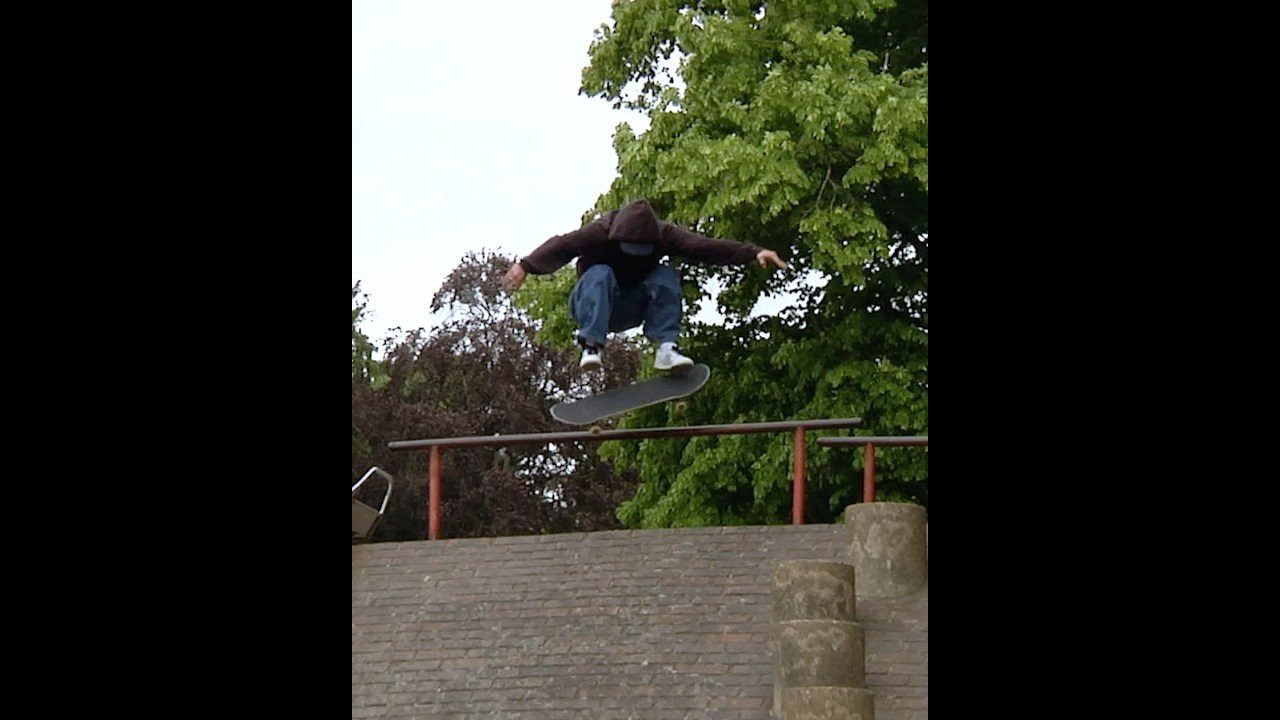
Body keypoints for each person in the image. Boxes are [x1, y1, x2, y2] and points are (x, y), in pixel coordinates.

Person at [501, 199, 788, 371]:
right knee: (600, 273)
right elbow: (562, 245)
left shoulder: (665, 235)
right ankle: (590, 346)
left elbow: (705, 247)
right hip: (593, 306)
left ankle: (667, 348)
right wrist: (526, 266)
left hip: (632, 306)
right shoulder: (600, 231)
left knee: (665, 275)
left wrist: (753, 252)